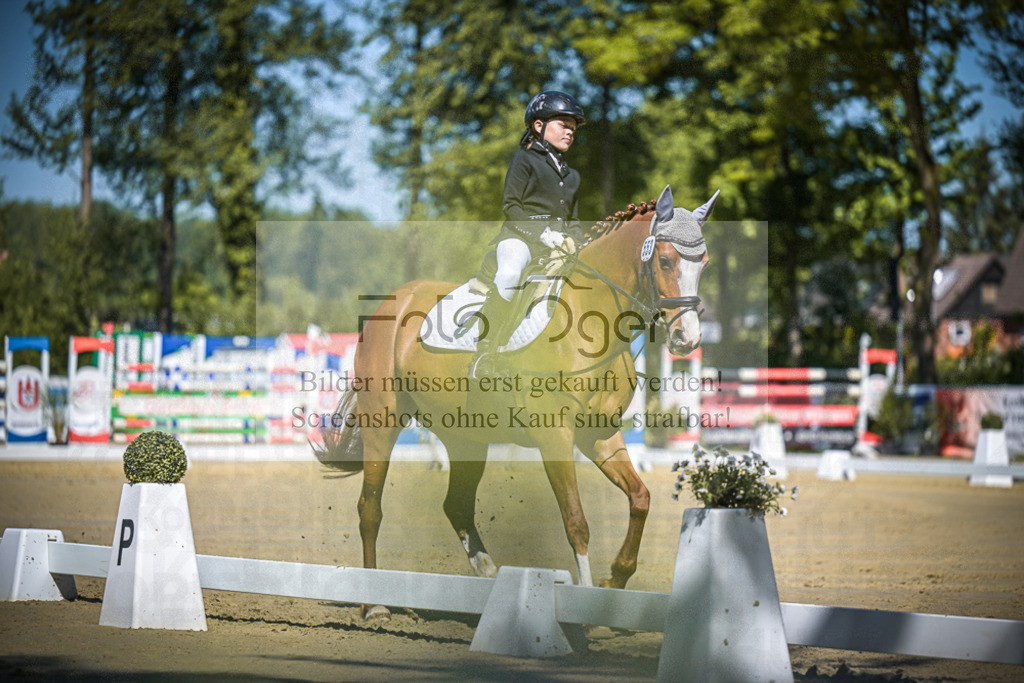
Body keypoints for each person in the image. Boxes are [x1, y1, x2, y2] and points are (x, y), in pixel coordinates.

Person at [469, 91, 586, 378]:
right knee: (509, 274)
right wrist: (544, 234)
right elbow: (511, 205)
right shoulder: (524, 159)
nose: (570, 132)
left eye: (573, 128)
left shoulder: (572, 176)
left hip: (557, 247)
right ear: (538, 126)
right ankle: (484, 352)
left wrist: (579, 242)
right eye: (563, 125)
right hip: (519, 238)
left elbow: (573, 220)